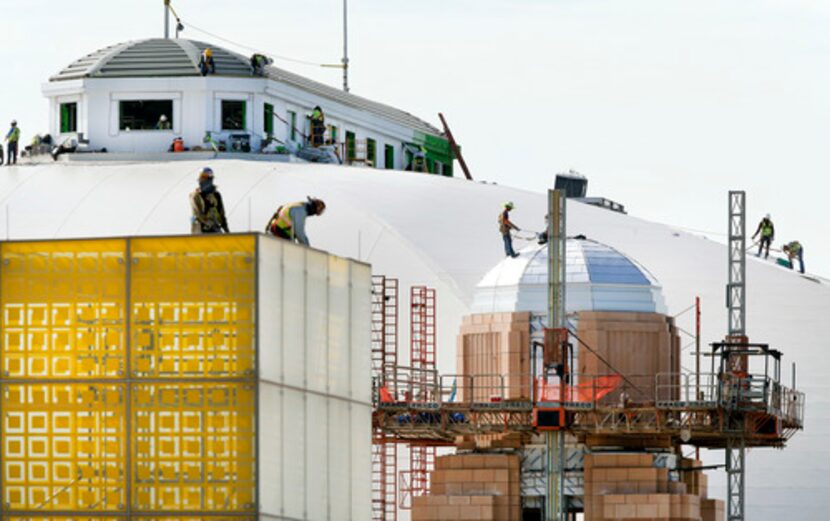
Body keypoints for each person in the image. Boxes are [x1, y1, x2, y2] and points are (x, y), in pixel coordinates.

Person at [190, 167, 229, 234]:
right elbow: (197, 213)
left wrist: (226, 229)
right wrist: (208, 223)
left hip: (215, 229)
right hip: (200, 230)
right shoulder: (195, 196)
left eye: (205, 177)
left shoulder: (216, 195)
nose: (202, 180)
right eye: (201, 177)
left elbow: (221, 213)